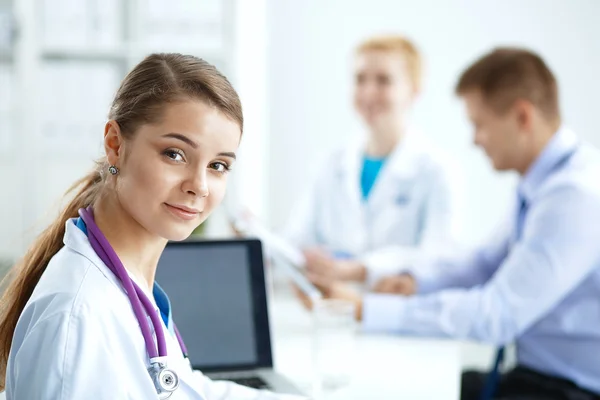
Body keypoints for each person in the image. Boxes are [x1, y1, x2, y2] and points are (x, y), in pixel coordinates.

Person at [0, 53, 305, 400]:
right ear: (115, 144)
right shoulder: (79, 317)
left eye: (218, 165)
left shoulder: (128, 285)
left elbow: (187, 390)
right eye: (175, 154)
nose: (199, 186)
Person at [305, 47, 600, 399]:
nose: (475, 140)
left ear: (522, 117)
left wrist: (366, 309)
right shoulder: (543, 184)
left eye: (480, 124)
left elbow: (497, 315)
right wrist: (414, 282)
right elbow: (483, 263)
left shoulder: (575, 196)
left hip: (569, 389)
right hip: (534, 374)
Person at [284, 34, 464, 288]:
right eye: (360, 80)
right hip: (330, 311)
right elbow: (298, 239)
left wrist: (360, 269)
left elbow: (439, 257)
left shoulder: (436, 169)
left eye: (383, 81)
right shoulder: (331, 164)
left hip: (400, 317)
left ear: (414, 90)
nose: (369, 92)